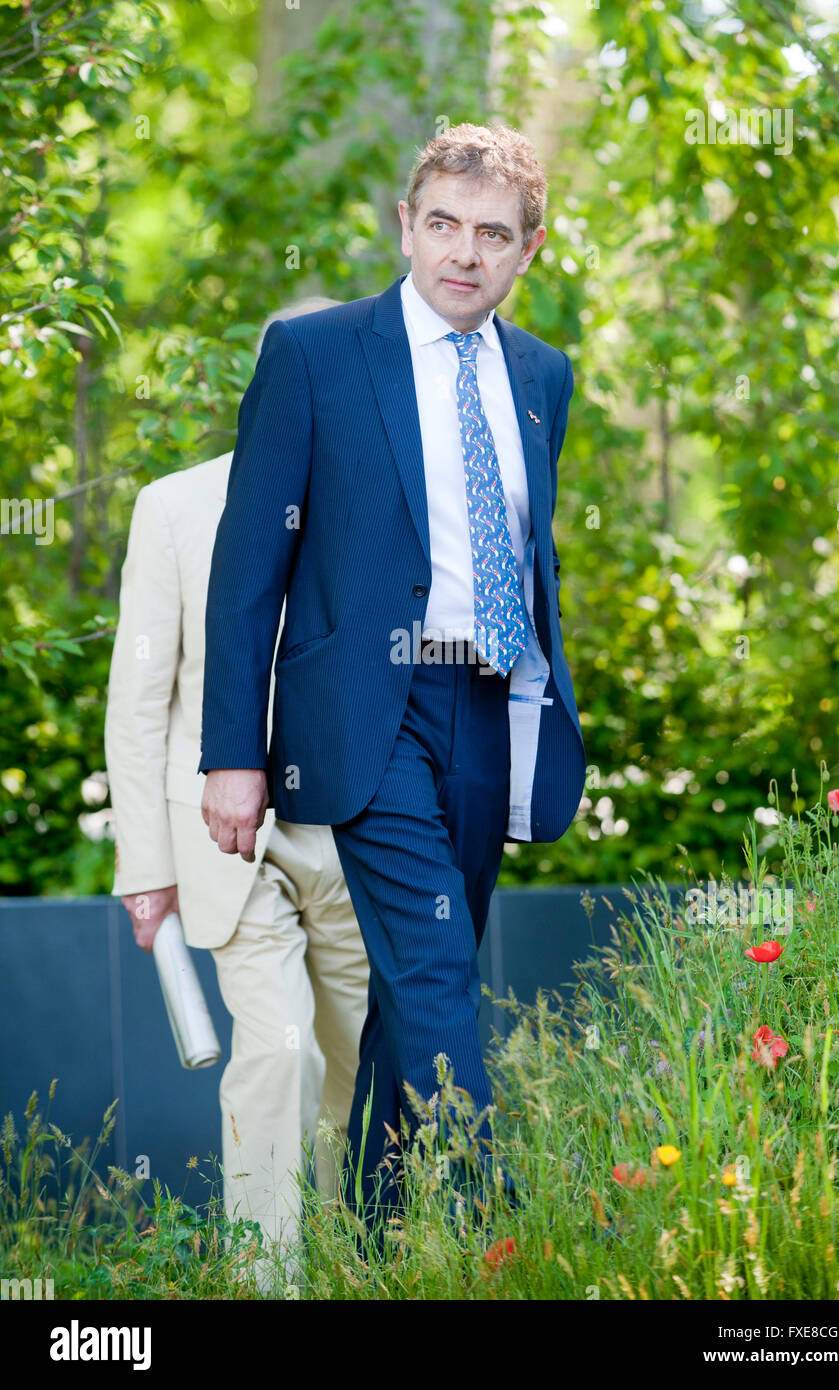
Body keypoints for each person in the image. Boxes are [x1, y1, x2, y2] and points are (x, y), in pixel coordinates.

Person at [199, 124, 586, 1227]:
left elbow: (530, 554)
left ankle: (376, 1242)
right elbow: (248, 568)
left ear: (531, 250)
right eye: (445, 225)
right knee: (433, 967)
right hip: (372, 712)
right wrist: (235, 750)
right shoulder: (317, 356)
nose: (466, 252)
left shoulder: (543, 377)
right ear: (406, 226)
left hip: (491, 707)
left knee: (420, 985)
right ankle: (488, 1230)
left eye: (494, 234)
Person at [104, 296, 369, 1279]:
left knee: (351, 1074)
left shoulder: (384, 514)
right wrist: (147, 867)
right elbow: (137, 700)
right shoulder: (174, 507)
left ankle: (344, 1264)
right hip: (223, 840)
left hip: (353, 836)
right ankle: (270, 1277)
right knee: (281, 1052)